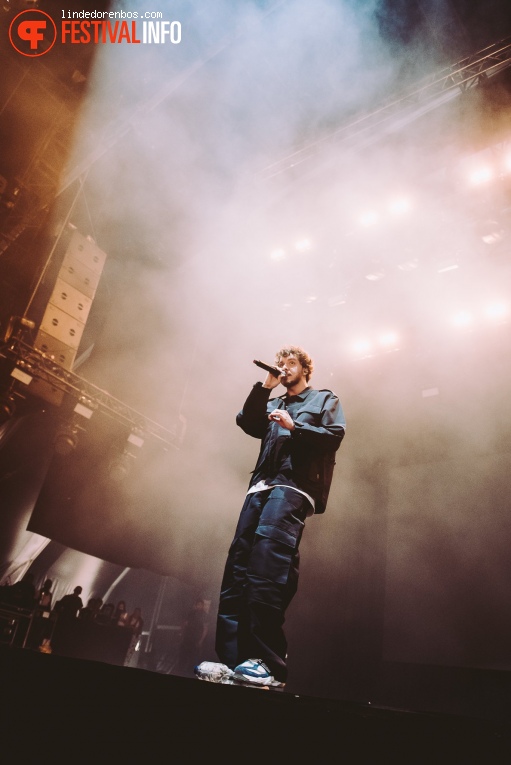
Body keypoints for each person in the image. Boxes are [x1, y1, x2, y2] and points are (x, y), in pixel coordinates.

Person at [195, 345, 345, 688]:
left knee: (267, 566)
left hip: (293, 486)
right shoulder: (274, 402)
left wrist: (296, 428)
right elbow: (247, 422)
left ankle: (267, 662)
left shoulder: (323, 399)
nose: (284, 367)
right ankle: (233, 661)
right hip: (260, 486)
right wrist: (264, 386)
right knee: (239, 567)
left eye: (290, 363)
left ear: (305, 369)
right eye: (281, 363)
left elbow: (334, 436)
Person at [174, 598, 210, 677]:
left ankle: (191, 673)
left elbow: (205, 628)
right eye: (198, 605)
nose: (199, 606)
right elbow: (185, 623)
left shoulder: (204, 615)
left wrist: (201, 640)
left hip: (196, 639)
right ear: (196, 605)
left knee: (193, 657)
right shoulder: (191, 613)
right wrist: (181, 633)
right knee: (183, 655)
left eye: (201, 605)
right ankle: (180, 671)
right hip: (187, 637)